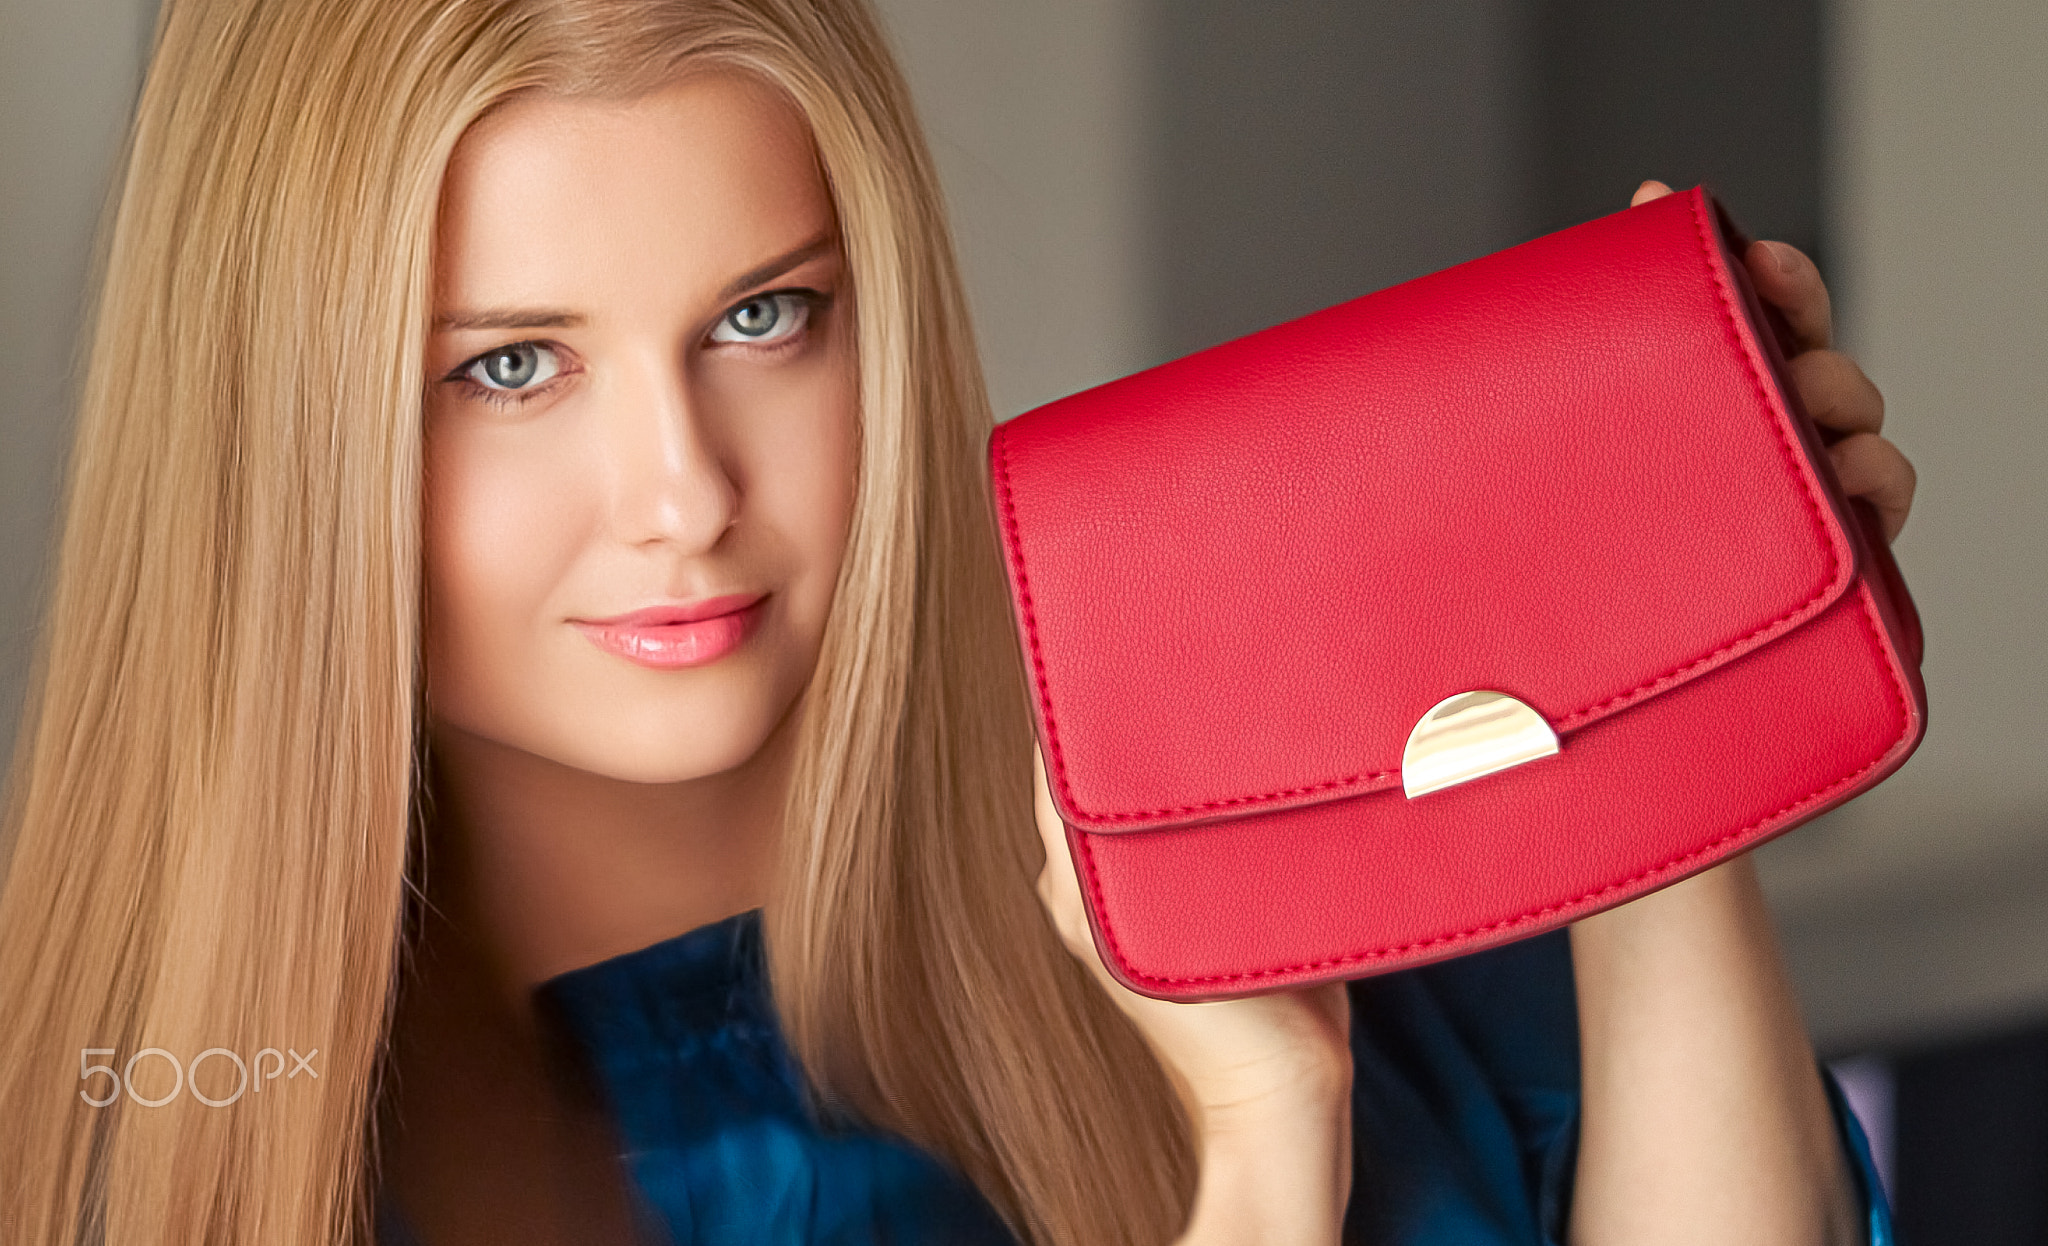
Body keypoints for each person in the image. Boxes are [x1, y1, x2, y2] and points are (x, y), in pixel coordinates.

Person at [0, 1, 1917, 1243]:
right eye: (509, 368)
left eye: (765, 318)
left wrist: (1669, 688)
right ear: (278, 428)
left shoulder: (1280, 814)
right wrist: (1259, 1157)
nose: (684, 494)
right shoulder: (174, 1146)